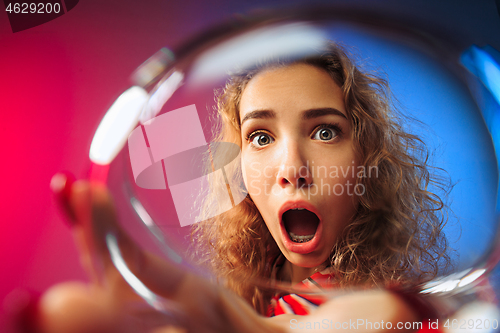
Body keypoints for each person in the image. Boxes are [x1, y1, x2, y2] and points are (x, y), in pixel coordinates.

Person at [35, 42, 450, 333]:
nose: (292, 169)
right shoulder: (237, 299)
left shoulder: (399, 314)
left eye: (325, 132)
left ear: (367, 159)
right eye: (261, 137)